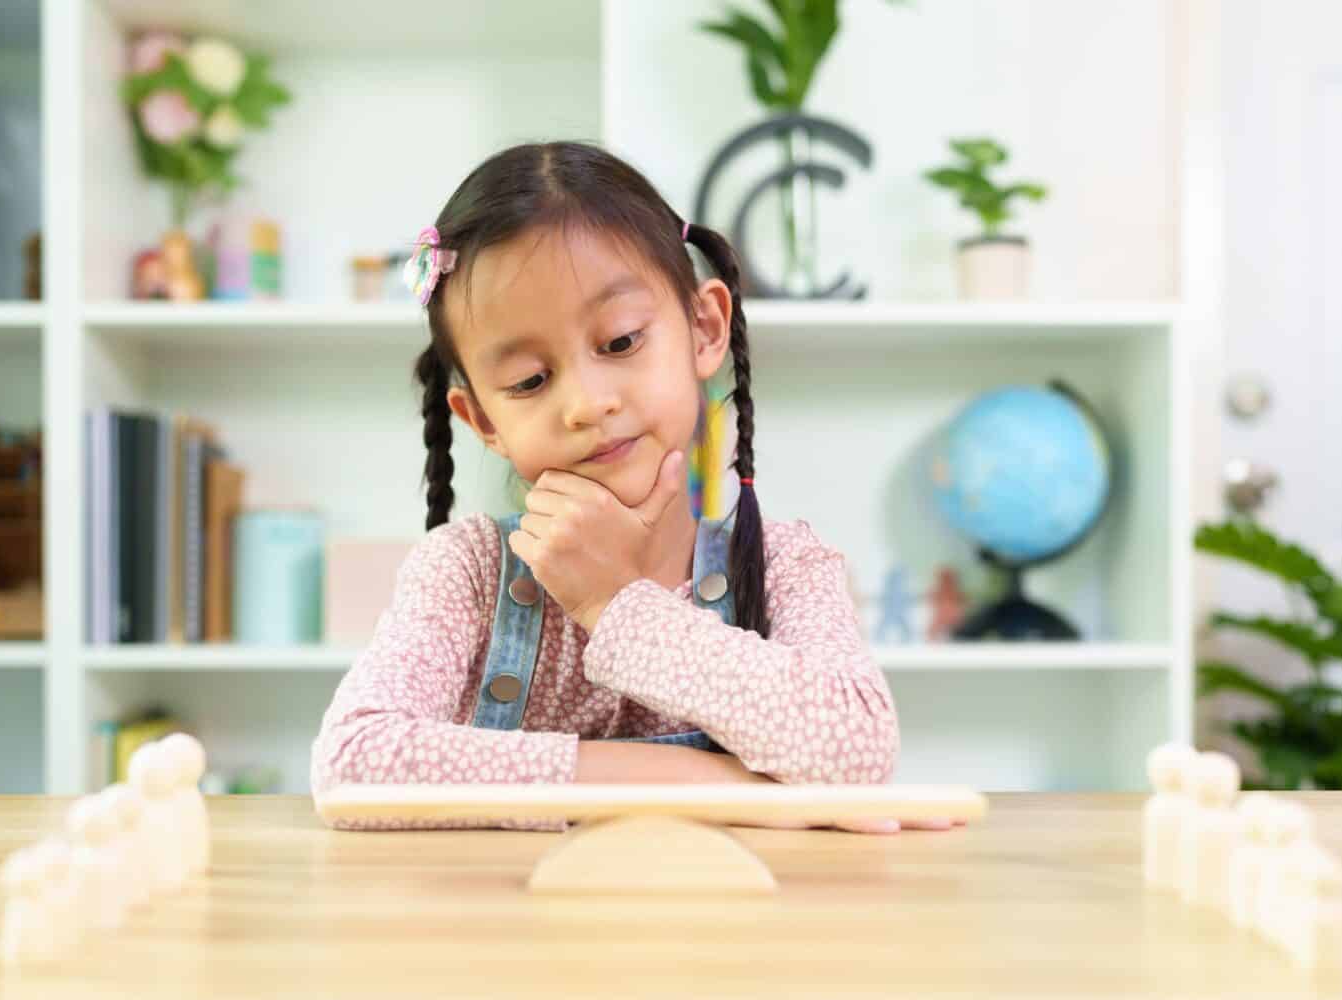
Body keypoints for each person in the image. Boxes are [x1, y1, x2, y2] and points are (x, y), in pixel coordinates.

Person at [311, 141, 954, 836]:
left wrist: (614, 602)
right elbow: (352, 767)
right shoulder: (466, 570)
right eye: (530, 380)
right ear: (483, 421)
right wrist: (724, 786)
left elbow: (856, 750)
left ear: (705, 327)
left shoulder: (784, 563)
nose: (586, 403)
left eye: (619, 342)